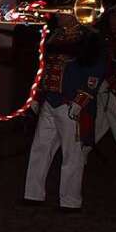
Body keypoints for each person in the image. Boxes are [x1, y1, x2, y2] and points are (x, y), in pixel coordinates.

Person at [23, 17, 105, 211]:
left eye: (64, 12)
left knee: (72, 155)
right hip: (50, 101)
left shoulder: (89, 39)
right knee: (40, 148)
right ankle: (33, 194)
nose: (59, 16)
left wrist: (81, 100)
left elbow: (96, 71)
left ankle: (70, 201)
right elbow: (44, 67)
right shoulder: (55, 36)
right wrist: (36, 95)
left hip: (70, 103)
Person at [94, 7, 116, 175]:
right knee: (97, 125)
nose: (114, 21)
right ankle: (81, 154)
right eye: (113, 17)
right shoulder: (109, 39)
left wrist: (115, 80)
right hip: (105, 90)